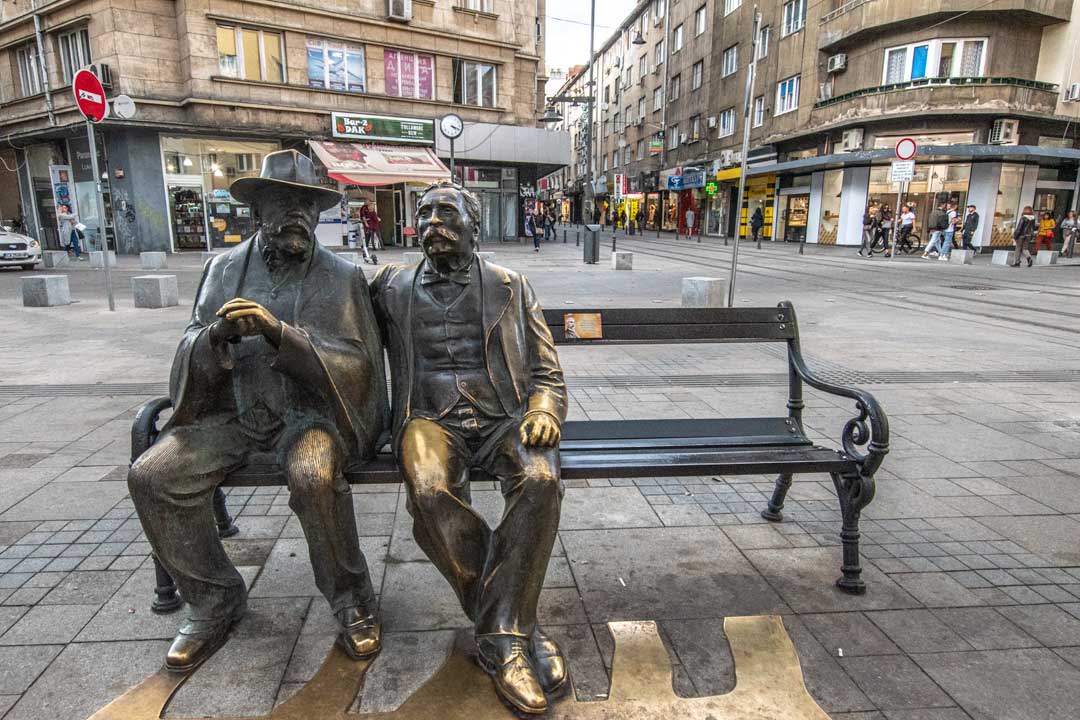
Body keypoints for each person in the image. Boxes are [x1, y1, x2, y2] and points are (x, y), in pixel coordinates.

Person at [127, 150, 388, 671]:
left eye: (306, 206)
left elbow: (360, 366)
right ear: (258, 209)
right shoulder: (221, 269)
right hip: (228, 417)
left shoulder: (341, 277)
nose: (296, 214)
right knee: (152, 475)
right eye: (282, 202)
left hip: (310, 418)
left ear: (318, 215)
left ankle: (350, 597)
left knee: (314, 475)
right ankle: (215, 599)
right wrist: (215, 337)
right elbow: (188, 346)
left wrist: (280, 335)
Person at [370, 182, 568, 715]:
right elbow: (337, 324)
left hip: (504, 416)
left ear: (473, 225)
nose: (433, 221)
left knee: (542, 482)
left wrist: (544, 410)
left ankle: (503, 630)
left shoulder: (511, 285)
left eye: (446, 212)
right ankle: (515, 630)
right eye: (424, 212)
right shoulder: (390, 287)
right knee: (431, 493)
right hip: (428, 419)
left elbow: (548, 372)